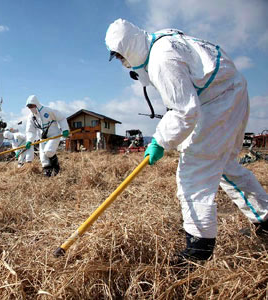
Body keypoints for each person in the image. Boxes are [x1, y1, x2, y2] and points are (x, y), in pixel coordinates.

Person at [105, 19, 268, 262]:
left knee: (194, 173)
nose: (121, 61)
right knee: (225, 167)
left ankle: (197, 251)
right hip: (230, 93)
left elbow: (184, 111)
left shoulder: (162, 60)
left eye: (120, 56)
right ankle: (265, 219)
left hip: (219, 102)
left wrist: (159, 140)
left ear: (129, 47)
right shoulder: (162, 42)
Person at [25, 95, 70, 177]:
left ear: (36, 104)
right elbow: (30, 131)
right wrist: (29, 140)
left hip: (54, 136)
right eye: (29, 107)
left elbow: (61, 118)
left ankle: (56, 167)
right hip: (43, 139)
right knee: (43, 158)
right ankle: (48, 173)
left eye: (31, 106)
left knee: (49, 151)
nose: (30, 108)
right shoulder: (31, 117)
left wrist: (65, 129)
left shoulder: (48, 111)